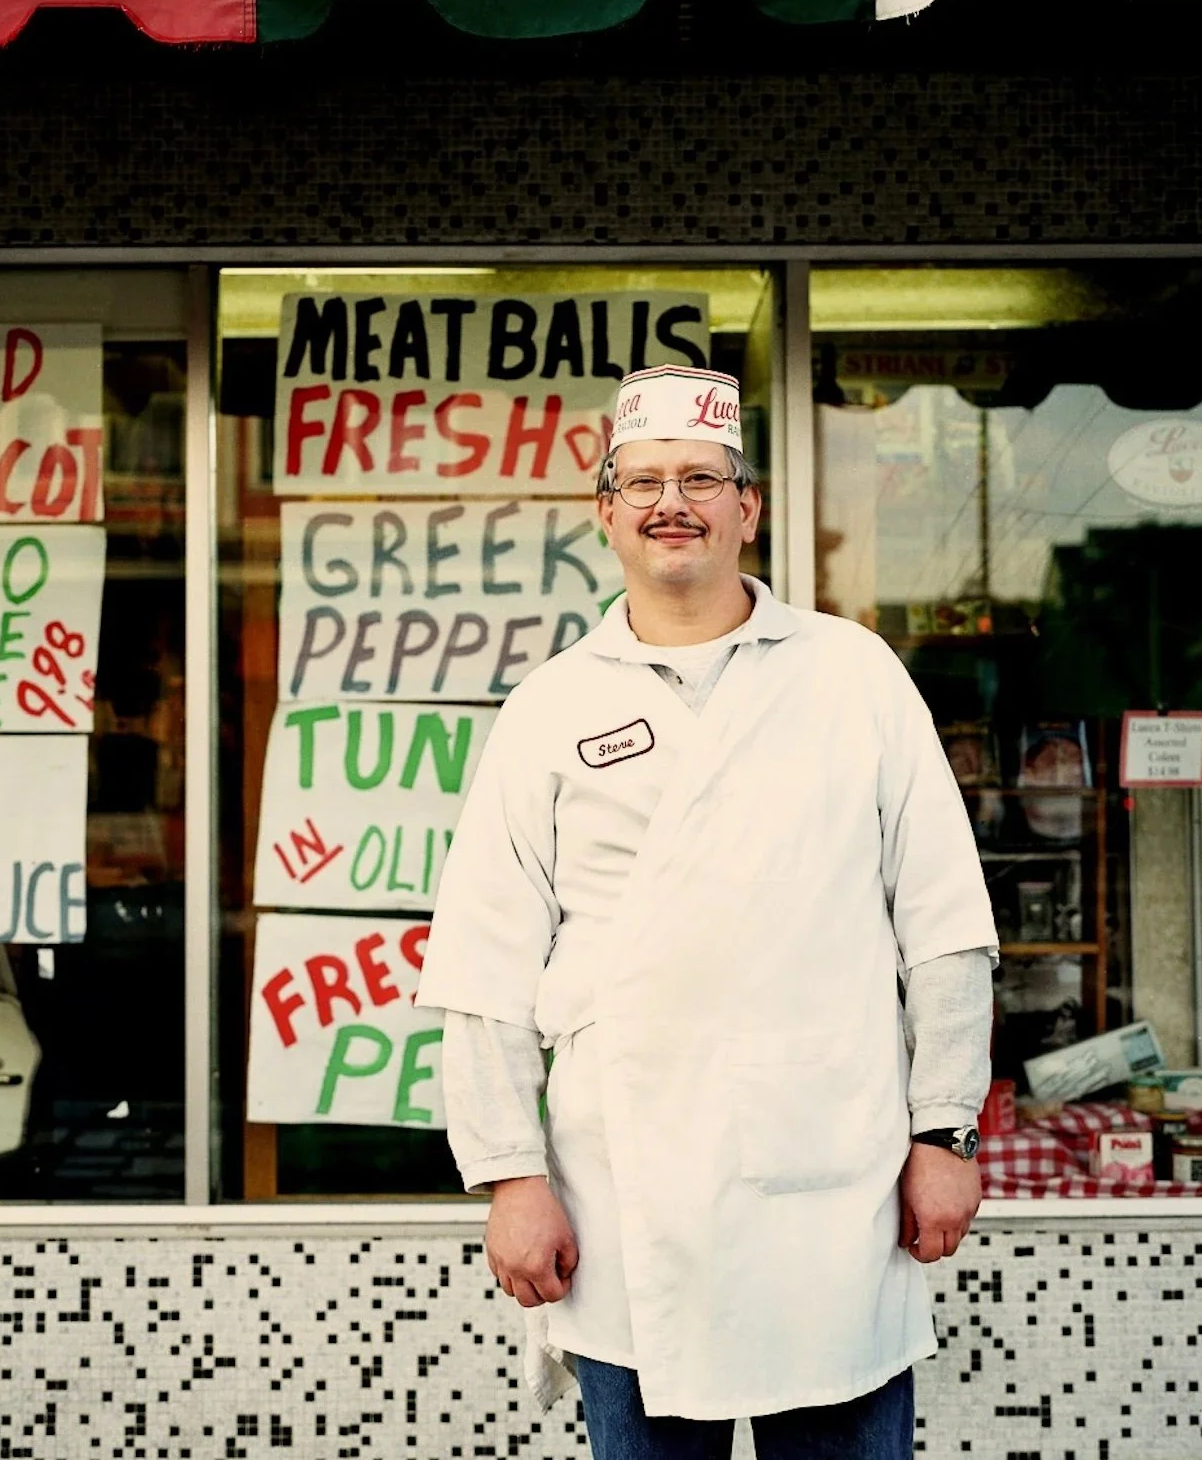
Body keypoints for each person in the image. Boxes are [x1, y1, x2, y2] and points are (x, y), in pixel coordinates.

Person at [415, 364, 998, 1460]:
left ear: (748, 507)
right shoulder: (551, 705)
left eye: (697, 477)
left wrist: (944, 1130)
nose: (668, 502)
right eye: (639, 482)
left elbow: (945, 925)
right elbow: (483, 965)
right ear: (604, 513)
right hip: (627, 1199)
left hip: (835, 1181)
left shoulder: (852, 676)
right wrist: (508, 1176)